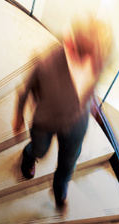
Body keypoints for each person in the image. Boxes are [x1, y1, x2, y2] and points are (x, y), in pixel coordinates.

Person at [13, 15, 112, 208]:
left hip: (76, 123)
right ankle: (30, 153)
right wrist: (18, 115)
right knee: (40, 150)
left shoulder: (98, 61)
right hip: (46, 122)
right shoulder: (47, 65)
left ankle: (60, 189)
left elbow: (91, 82)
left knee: (69, 162)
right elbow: (26, 89)